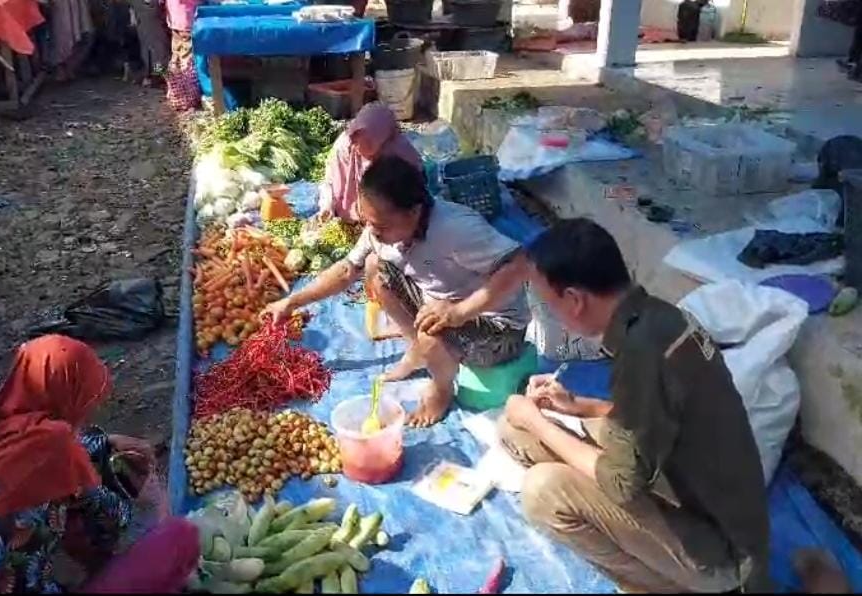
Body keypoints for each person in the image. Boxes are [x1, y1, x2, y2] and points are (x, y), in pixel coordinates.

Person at [498, 218, 770, 593]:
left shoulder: (642, 352)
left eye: (548, 303)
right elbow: (657, 412)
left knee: (544, 488)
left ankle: (661, 585)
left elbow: (622, 483)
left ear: (575, 300)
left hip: (724, 552)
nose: (549, 313)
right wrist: (579, 406)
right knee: (516, 430)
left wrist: (538, 421)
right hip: (692, 486)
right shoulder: (656, 316)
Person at [266, 155, 530, 427]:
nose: (372, 232)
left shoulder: (455, 228)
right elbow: (347, 271)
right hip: (442, 303)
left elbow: (521, 264)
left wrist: (460, 311)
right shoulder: (379, 229)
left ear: (414, 212)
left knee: (431, 330)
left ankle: (442, 389)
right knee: (374, 267)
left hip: (499, 329)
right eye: (368, 221)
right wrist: (291, 302)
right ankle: (418, 348)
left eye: (380, 225)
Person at [0, 335, 200, 593]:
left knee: (88, 467)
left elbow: (64, 451)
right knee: (178, 537)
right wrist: (151, 503)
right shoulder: (55, 445)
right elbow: (115, 516)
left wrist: (106, 441)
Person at [318, 102, 424, 222]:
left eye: (370, 143)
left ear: (384, 138)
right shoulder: (345, 146)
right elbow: (330, 181)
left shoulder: (401, 153)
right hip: (347, 215)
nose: (359, 148)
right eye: (357, 141)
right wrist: (327, 205)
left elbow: (412, 196)